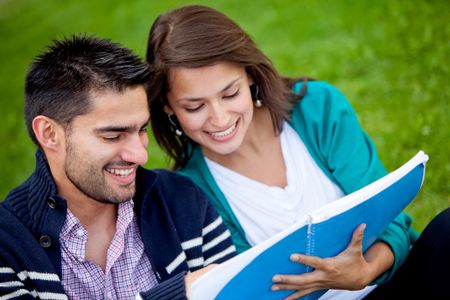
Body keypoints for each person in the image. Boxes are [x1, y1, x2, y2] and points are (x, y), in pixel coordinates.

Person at [146, 5, 450, 299]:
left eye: (230, 94)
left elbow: (393, 222)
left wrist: (365, 272)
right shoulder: (189, 193)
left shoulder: (318, 109)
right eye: (195, 106)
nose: (220, 118)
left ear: (250, 75)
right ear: (168, 106)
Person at [0, 35, 236, 300]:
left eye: (141, 129)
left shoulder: (183, 202)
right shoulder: (7, 244)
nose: (140, 155)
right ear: (49, 134)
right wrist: (179, 294)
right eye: (113, 136)